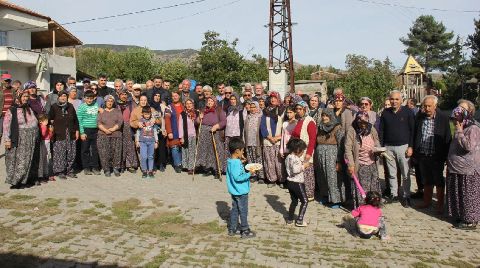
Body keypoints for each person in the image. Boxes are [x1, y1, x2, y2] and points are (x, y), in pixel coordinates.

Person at [413, 96, 451, 213]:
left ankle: (440, 205)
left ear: (435, 106)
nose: (427, 108)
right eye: (425, 106)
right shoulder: (420, 117)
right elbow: (416, 134)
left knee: (438, 180)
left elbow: (447, 136)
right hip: (423, 154)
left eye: (429, 106)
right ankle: (427, 201)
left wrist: (446, 156)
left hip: (436, 155)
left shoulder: (443, 117)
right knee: (426, 180)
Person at [446, 100, 480, 229]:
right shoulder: (461, 126)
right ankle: (461, 216)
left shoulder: (473, 128)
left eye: (462, 109)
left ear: (469, 112)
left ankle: (470, 221)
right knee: (459, 194)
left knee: (468, 196)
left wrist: (459, 131)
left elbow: (468, 146)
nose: (458, 111)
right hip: (457, 168)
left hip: (468, 170)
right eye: (458, 108)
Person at [379, 90, 415, 208]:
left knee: (405, 173)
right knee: (392, 173)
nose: (394, 101)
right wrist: (382, 147)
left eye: (396, 99)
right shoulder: (385, 112)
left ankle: (406, 195)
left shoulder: (408, 112)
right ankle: (394, 194)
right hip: (389, 147)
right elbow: (382, 130)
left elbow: (412, 130)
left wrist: (411, 146)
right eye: (392, 99)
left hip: (403, 147)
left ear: (401, 100)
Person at [345, 111, 382, 208]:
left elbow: (376, 140)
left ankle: (374, 206)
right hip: (360, 164)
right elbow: (348, 148)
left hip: (372, 163)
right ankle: (362, 207)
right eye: (361, 123)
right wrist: (351, 165)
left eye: (365, 123)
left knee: (373, 186)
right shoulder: (352, 130)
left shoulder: (371, 128)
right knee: (362, 188)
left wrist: (377, 148)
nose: (363, 125)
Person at [3, 90, 39, 189]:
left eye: (27, 96)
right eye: (23, 96)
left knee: (30, 160)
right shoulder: (12, 109)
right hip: (19, 138)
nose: (26, 98)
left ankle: (27, 179)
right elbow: (6, 125)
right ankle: (17, 181)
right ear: (18, 97)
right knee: (20, 161)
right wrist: (7, 139)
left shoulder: (28, 108)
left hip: (31, 138)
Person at [226, 137, 256, 238]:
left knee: (235, 210)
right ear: (237, 151)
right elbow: (238, 177)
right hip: (241, 191)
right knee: (243, 211)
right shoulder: (236, 163)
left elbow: (235, 171)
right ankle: (245, 230)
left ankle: (232, 229)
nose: (243, 152)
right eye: (242, 150)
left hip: (234, 191)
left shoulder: (230, 161)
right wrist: (249, 174)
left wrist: (241, 163)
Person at [49, 91, 79, 179]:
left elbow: (75, 120)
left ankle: (69, 170)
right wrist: (51, 127)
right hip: (59, 133)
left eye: (65, 96)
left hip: (70, 132)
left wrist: (77, 131)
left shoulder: (70, 106)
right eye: (61, 96)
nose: (63, 98)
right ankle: (60, 171)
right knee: (59, 153)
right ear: (58, 97)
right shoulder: (54, 107)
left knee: (71, 152)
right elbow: (50, 118)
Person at [291, 101, 317, 201]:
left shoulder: (309, 121)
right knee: (300, 173)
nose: (298, 111)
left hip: (306, 151)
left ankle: (310, 195)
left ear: (305, 109)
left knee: (308, 173)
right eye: (296, 109)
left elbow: (312, 139)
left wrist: (309, 153)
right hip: (298, 151)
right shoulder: (300, 120)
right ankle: (302, 193)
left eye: (300, 109)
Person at [196, 97, 226, 179]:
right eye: (208, 101)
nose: (209, 102)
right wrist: (199, 118)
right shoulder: (203, 110)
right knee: (207, 151)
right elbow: (197, 122)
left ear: (215, 102)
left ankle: (217, 170)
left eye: (211, 101)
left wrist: (216, 126)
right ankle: (208, 168)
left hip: (214, 131)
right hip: (204, 132)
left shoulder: (219, 110)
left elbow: (223, 121)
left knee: (216, 151)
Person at [260, 92, 284, 186]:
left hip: (279, 140)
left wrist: (278, 137)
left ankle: (281, 180)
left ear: (278, 99)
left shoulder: (282, 111)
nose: (273, 100)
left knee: (279, 161)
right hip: (268, 140)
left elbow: (285, 126)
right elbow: (262, 126)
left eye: (275, 98)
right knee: (269, 161)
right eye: (271, 98)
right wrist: (270, 137)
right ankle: (272, 179)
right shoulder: (265, 111)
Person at [285, 138, 310, 227]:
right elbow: (296, 170)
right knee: (305, 201)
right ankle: (299, 220)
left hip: (290, 182)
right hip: (297, 183)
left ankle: (290, 218)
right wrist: (304, 166)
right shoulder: (295, 159)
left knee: (294, 201)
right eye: (302, 150)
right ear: (298, 150)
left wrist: (301, 163)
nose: (303, 152)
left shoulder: (288, 157)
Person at [97, 95, 123, 177]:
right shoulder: (101, 111)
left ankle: (116, 168)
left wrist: (113, 129)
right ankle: (106, 169)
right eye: (108, 101)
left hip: (116, 134)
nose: (110, 103)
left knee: (116, 152)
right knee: (104, 153)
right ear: (105, 102)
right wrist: (105, 130)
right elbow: (98, 123)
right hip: (103, 135)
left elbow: (120, 122)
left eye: (111, 101)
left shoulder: (117, 111)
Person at [77, 90, 101, 175]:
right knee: (85, 150)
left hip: (95, 130)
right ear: (84, 98)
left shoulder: (96, 105)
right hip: (86, 130)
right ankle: (86, 167)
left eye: (91, 98)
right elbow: (79, 121)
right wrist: (82, 133)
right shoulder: (81, 107)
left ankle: (95, 167)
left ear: (94, 98)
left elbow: (100, 115)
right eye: (87, 98)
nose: (89, 100)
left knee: (95, 149)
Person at [117, 90, 138, 173]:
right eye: (122, 94)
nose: (124, 96)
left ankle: (130, 164)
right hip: (118, 126)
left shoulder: (131, 104)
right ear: (119, 95)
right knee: (120, 146)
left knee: (130, 145)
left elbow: (134, 116)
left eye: (125, 94)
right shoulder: (116, 104)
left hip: (128, 126)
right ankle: (120, 165)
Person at [135, 106, 159, 178]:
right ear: (142, 114)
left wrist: (156, 142)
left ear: (150, 114)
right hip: (143, 142)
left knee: (151, 156)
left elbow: (155, 131)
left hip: (151, 142)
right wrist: (137, 141)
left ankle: (150, 170)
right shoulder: (140, 121)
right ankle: (144, 170)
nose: (147, 116)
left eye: (148, 114)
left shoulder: (152, 121)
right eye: (145, 114)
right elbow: (138, 131)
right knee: (143, 157)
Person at [244, 101, 264, 183]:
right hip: (249, 141)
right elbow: (244, 130)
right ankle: (253, 175)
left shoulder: (261, 117)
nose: (252, 109)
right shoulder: (248, 117)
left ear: (257, 107)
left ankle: (261, 176)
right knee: (250, 158)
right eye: (251, 107)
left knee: (258, 158)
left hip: (257, 141)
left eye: (254, 107)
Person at [224, 93, 245, 171]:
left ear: (237, 100)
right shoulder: (228, 110)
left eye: (234, 99)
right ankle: (229, 169)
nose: (232, 101)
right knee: (228, 152)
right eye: (231, 99)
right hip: (228, 134)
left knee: (237, 153)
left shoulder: (241, 110)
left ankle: (238, 169)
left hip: (237, 134)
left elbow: (243, 123)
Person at [165, 91, 184, 173]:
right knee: (174, 147)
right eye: (173, 96)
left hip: (183, 131)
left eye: (176, 96)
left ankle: (181, 163)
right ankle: (177, 164)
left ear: (179, 96)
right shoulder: (169, 107)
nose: (175, 97)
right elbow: (167, 120)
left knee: (181, 147)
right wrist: (169, 131)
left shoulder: (184, 106)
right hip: (174, 130)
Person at [149, 92, 168, 172]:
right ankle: (153, 164)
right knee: (153, 148)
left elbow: (164, 118)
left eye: (158, 95)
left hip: (161, 129)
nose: (157, 97)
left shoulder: (162, 106)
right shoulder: (149, 106)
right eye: (155, 95)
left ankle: (161, 164)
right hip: (151, 130)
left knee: (161, 148)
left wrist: (164, 129)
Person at [180, 99, 197, 174]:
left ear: (193, 104)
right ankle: (186, 166)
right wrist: (181, 137)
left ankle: (191, 167)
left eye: (190, 103)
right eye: (187, 103)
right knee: (186, 151)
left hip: (194, 136)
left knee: (192, 152)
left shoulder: (196, 113)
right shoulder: (183, 114)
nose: (189, 105)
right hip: (186, 135)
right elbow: (180, 126)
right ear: (185, 105)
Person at [38, 114, 53, 182]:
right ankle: (44, 173)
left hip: (47, 141)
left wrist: (50, 131)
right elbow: (43, 134)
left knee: (47, 157)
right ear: (40, 121)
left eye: (47, 120)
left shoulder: (45, 126)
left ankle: (46, 173)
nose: (47, 122)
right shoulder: (43, 127)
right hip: (44, 142)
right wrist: (47, 129)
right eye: (45, 120)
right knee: (45, 157)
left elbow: (49, 136)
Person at [0, 76, 15, 141]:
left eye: (9, 81)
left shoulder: (13, 90)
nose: (8, 82)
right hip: (1, 116)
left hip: (11, 115)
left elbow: (16, 100)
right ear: (2, 81)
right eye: (6, 81)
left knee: (10, 134)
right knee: (0, 133)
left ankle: (9, 150)